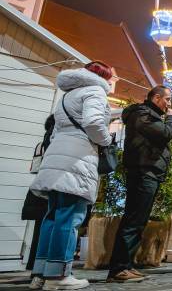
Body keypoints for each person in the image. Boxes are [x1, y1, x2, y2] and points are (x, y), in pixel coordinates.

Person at [29, 61, 114, 290]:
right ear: (103, 76)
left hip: (57, 156)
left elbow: (56, 130)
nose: (113, 81)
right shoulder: (95, 91)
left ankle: (41, 274)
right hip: (78, 158)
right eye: (112, 76)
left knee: (52, 217)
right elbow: (94, 123)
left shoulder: (67, 96)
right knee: (70, 216)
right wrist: (107, 140)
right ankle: (59, 276)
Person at [107, 85, 172, 283]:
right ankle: (118, 269)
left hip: (148, 172)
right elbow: (165, 133)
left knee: (138, 221)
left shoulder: (147, 114)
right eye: (168, 99)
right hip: (143, 172)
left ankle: (126, 265)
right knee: (133, 221)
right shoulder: (142, 114)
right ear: (157, 98)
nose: (169, 104)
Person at [22, 115, 55, 272]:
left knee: (39, 229)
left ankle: (33, 265)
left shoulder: (40, 145)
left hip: (38, 189)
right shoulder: (57, 143)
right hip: (52, 190)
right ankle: (48, 266)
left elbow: (35, 169)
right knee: (52, 228)